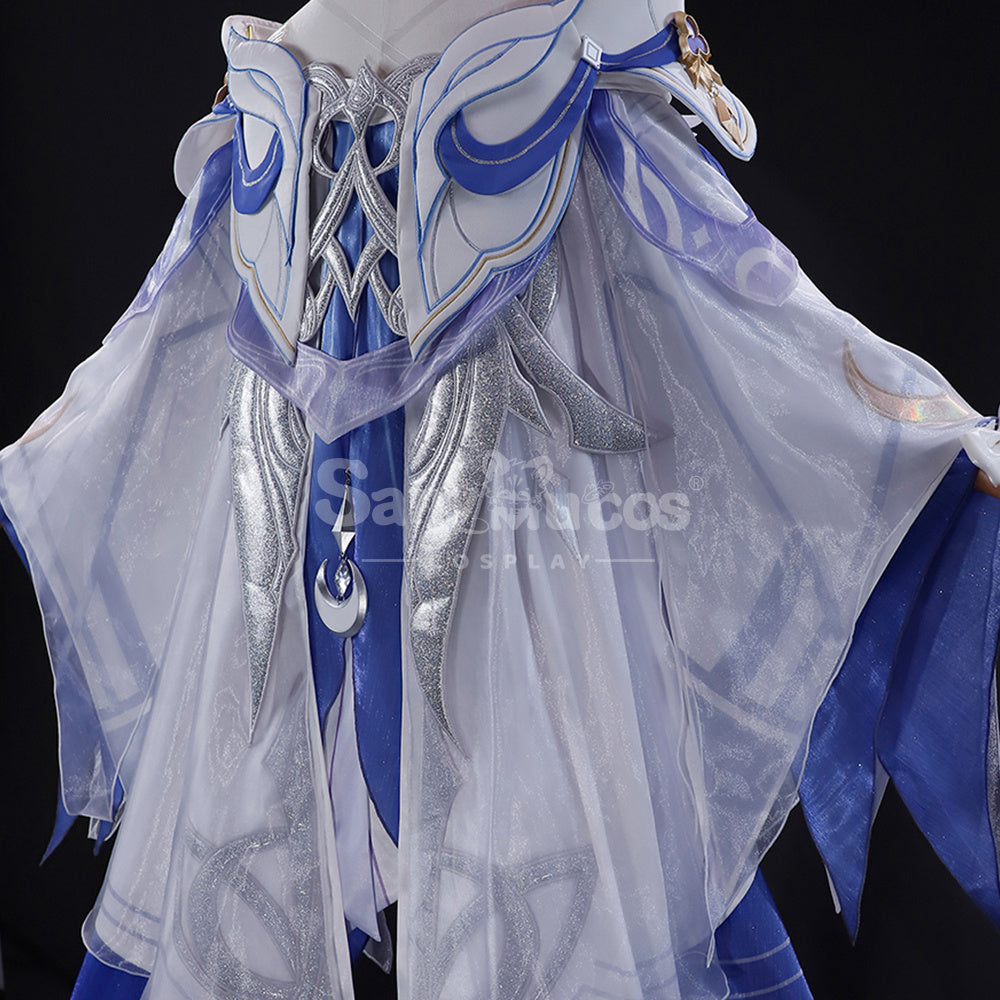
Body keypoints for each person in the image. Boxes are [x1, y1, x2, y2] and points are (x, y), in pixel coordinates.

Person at [1, 3, 998, 999]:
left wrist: (919, 430)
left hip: (532, 448)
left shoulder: (565, 77)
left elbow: (732, 287)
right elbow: (178, 311)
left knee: (553, 778)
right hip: (301, 388)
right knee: (269, 750)